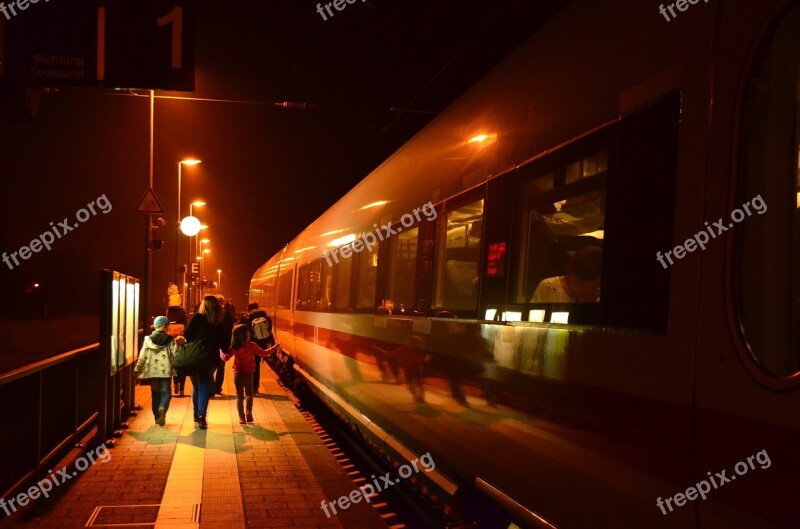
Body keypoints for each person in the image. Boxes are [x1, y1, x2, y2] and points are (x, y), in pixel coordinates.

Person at [183, 295, 229, 429]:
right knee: (203, 384)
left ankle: (196, 413)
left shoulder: (197, 318)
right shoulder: (218, 322)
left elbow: (186, 335)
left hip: (194, 357)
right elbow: (224, 344)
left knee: (196, 386)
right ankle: (202, 416)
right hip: (210, 359)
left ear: (203, 305)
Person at [220, 324, 280, 424]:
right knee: (249, 394)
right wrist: (275, 347)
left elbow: (225, 358)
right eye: (248, 332)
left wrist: (221, 351)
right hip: (249, 374)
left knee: (239, 396)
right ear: (245, 335)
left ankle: (241, 418)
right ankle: (248, 411)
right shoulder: (252, 345)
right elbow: (264, 353)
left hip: (238, 375)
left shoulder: (234, 347)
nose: (249, 334)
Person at [135, 316, 184, 426]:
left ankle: (157, 416)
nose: (168, 328)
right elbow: (175, 355)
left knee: (155, 394)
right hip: (165, 372)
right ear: (164, 326)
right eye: (167, 326)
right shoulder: (170, 340)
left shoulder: (148, 340)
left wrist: (137, 368)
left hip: (152, 372)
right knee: (166, 393)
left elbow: (142, 356)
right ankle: (162, 408)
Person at [531, 246, 602, 303]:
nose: (587, 291)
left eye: (594, 287)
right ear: (570, 274)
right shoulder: (549, 287)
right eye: (581, 285)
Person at [243, 302, 274, 393]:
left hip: (249, 344)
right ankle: (255, 387)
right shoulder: (265, 317)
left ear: (249, 308)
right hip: (260, 344)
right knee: (256, 365)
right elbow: (269, 330)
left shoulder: (247, 317)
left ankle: (248, 386)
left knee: (247, 366)